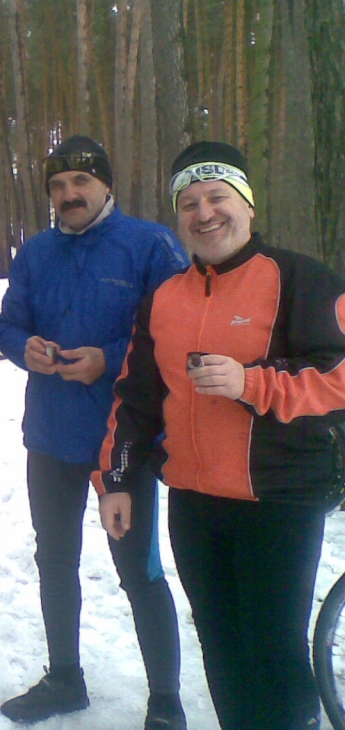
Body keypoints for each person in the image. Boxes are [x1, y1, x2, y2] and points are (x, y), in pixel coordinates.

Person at [96, 141, 345, 730]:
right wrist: (116, 480)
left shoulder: (301, 279)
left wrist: (253, 383)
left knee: (274, 650)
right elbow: (135, 399)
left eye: (217, 197)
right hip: (194, 503)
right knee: (219, 642)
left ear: (248, 205)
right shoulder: (165, 298)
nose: (204, 213)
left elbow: (337, 378)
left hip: (278, 502)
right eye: (189, 204)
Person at [0, 136, 189, 727]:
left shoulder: (150, 245)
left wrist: (108, 358)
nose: (69, 194)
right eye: (57, 186)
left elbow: (176, 336)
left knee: (139, 571)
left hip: (122, 440)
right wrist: (24, 348)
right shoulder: (36, 252)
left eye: (81, 182)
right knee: (54, 560)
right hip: (50, 437)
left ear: (107, 185)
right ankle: (64, 678)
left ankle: (165, 700)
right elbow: (8, 325)